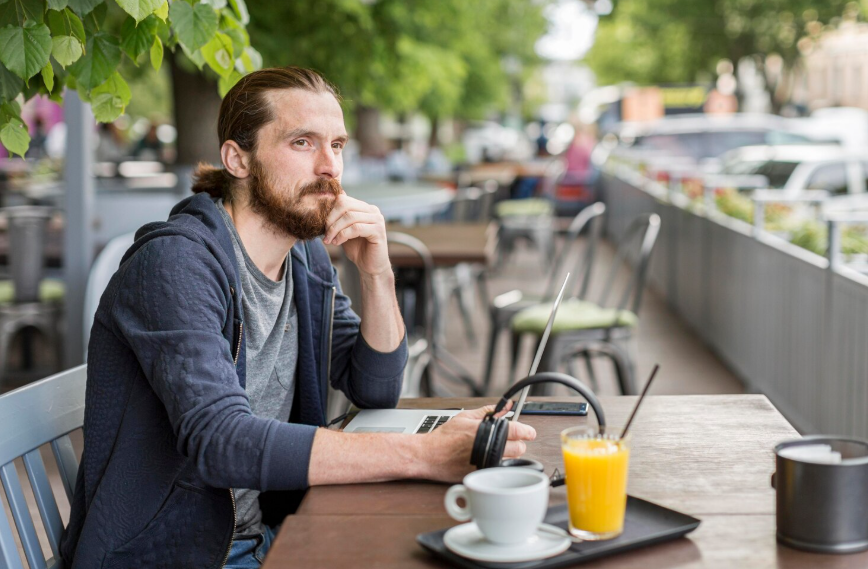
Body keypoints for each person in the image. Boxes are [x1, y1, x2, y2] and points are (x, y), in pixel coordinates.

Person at [59, 66, 536, 568]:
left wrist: (376, 272)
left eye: (338, 144)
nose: (330, 166)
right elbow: (220, 441)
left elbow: (373, 388)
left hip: (270, 530)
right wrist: (426, 454)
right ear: (237, 159)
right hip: (179, 555)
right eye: (303, 143)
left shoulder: (303, 257)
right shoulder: (174, 266)